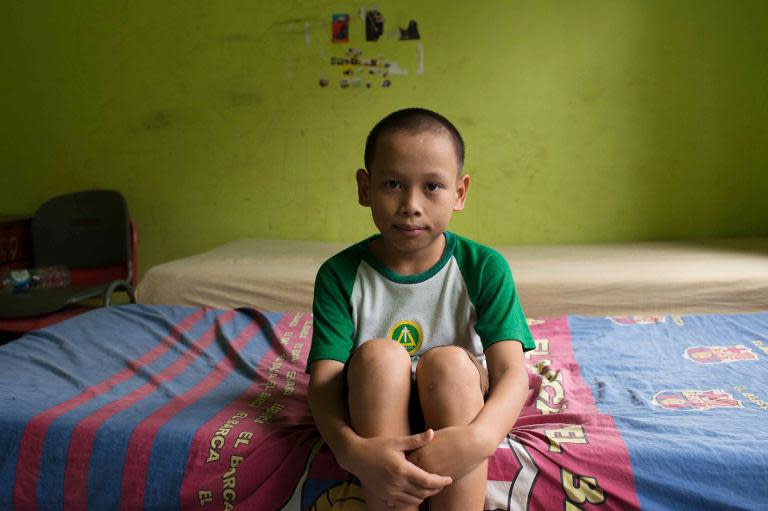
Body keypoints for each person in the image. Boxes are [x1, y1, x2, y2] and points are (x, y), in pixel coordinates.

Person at [307, 107, 534, 510]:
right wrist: (351, 450)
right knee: (378, 355)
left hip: (455, 405)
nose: (411, 204)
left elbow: (511, 372)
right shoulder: (339, 274)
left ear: (459, 193)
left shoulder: (484, 268)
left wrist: (479, 438)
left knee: (447, 363)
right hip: (375, 406)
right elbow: (325, 384)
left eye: (432, 186)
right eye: (393, 183)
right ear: (365, 188)